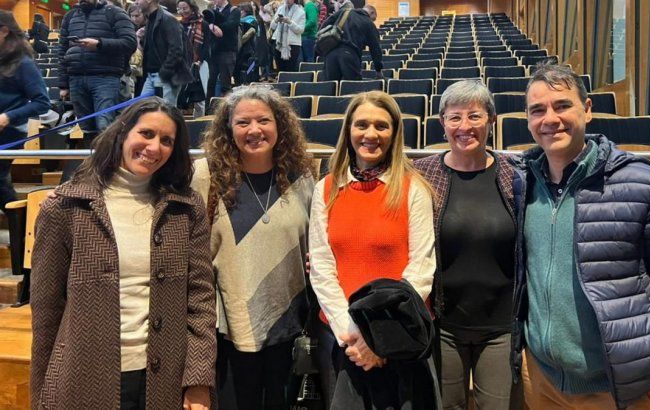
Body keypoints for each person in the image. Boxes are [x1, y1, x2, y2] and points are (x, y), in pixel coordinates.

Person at [511, 64, 650, 409]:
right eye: (537, 110)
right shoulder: (520, 184)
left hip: (623, 388)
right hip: (543, 383)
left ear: (587, 110)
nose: (550, 119)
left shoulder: (643, 183)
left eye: (562, 106)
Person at [30, 97, 216, 409]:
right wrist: (41, 396)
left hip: (163, 378)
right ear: (123, 133)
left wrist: (198, 379)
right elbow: (46, 313)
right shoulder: (65, 207)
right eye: (146, 134)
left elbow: (201, 299)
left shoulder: (185, 206)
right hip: (83, 377)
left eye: (166, 140)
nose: (154, 147)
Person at [309, 91, 437, 408]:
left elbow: (421, 270)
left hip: (401, 336)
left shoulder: (414, 188)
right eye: (361, 124)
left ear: (394, 133)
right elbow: (322, 268)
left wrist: (378, 336)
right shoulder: (325, 188)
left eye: (382, 126)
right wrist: (355, 334)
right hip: (344, 339)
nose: (370, 134)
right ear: (348, 130)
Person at [191, 85, 315, 409]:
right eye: (243, 122)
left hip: (289, 322)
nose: (254, 130)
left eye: (264, 120)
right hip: (227, 329)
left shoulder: (301, 175)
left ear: (279, 125)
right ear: (228, 128)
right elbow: (195, 249)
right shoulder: (207, 175)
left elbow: (314, 239)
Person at [413, 80, 519, 410]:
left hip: (500, 324)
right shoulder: (421, 174)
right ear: (442, 122)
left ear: (492, 120)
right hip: (443, 323)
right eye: (454, 117)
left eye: (474, 116)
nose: (464, 127)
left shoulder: (516, 173)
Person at [58, 0, 136, 181]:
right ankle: (93, 175)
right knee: (87, 130)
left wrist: (99, 44)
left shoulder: (114, 13)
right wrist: (63, 84)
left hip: (105, 78)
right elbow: (62, 51)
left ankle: (111, 175)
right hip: (76, 78)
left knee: (105, 127)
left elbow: (130, 43)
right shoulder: (70, 17)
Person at [0, 11, 51, 209]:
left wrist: (7, 117)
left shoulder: (23, 63)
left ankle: (21, 230)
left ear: (4, 31)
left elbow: (42, 102)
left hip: (8, 132)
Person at [137, 0, 193, 106]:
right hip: (152, 75)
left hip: (167, 75)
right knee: (143, 109)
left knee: (168, 113)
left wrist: (164, 72)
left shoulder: (168, 19)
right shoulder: (151, 19)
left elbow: (176, 50)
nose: (136, 2)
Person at [320, 0, 382, 81]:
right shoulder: (369, 23)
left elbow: (324, 25)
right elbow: (375, 48)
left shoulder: (344, 12)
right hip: (349, 55)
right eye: (374, 19)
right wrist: (378, 70)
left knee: (330, 87)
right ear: (372, 12)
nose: (373, 21)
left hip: (330, 53)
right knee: (352, 88)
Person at [178, 0, 211, 117]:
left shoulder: (203, 24)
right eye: (180, 9)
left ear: (192, 8)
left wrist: (199, 60)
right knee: (180, 96)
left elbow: (206, 45)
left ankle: (199, 126)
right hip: (181, 65)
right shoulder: (178, 25)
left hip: (199, 64)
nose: (182, 11)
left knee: (200, 98)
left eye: (185, 8)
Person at [207, 0, 240, 99]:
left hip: (227, 51)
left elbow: (230, 25)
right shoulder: (213, 10)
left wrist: (214, 27)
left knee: (225, 84)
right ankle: (209, 110)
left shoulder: (233, 10)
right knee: (210, 82)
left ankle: (225, 110)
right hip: (213, 51)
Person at [270, 0, 305, 73]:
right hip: (278, 43)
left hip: (292, 45)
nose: (287, 0)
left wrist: (289, 22)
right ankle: (281, 84)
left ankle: (290, 84)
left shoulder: (300, 11)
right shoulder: (280, 9)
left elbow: (300, 30)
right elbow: (272, 26)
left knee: (290, 70)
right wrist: (276, 20)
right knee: (279, 70)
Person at [234, 3, 259, 85]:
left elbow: (246, 37)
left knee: (249, 73)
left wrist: (237, 41)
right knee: (239, 75)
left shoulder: (252, 21)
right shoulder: (238, 22)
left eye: (241, 11)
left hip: (249, 52)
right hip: (241, 52)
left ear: (245, 11)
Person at [128, 5, 146, 97]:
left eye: (137, 16)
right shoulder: (128, 28)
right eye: (132, 16)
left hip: (145, 66)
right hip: (133, 67)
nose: (134, 19)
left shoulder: (147, 29)